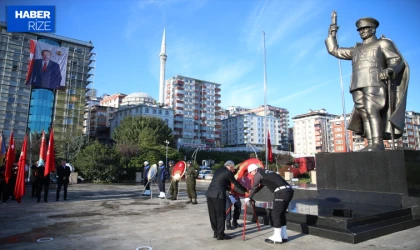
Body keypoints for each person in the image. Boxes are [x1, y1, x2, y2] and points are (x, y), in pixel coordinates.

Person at [325, 17, 409, 151]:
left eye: (365, 29)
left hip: (374, 81)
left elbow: (396, 60)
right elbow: (335, 50)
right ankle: (371, 143)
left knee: (372, 109)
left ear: (373, 29)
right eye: (360, 30)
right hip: (357, 84)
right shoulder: (356, 49)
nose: (362, 32)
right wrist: (332, 35)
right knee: (364, 112)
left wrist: (390, 70)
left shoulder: (383, 43)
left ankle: (378, 143)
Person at [246, 164, 294, 244]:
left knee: (275, 214)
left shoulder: (258, 174)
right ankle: (284, 235)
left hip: (281, 193)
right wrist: (251, 195)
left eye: (250, 173)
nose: (251, 175)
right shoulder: (265, 172)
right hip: (288, 191)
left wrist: (249, 197)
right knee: (281, 214)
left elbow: (255, 186)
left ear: (254, 170)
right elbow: (260, 186)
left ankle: (277, 237)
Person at [205, 160, 247, 240]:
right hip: (218, 195)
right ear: (231, 167)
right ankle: (220, 235)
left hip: (210, 194)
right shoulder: (228, 172)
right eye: (233, 169)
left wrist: (229, 189)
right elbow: (236, 183)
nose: (233, 170)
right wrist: (245, 191)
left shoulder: (218, 170)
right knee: (220, 215)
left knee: (212, 215)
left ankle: (216, 232)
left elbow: (221, 183)